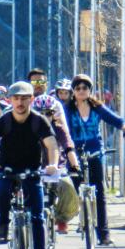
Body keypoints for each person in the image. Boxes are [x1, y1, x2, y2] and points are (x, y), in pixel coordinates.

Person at [0, 81, 60, 249]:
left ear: (31, 100)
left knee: (37, 216)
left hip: (32, 171)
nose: (20, 102)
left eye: (24, 98)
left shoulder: (39, 121)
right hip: (6, 169)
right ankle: (2, 224)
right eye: (16, 98)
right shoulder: (4, 121)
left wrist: (52, 165)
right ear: (10, 100)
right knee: (0, 191)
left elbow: (52, 145)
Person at [64, 74, 125, 245]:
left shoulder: (97, 108)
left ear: (90, 90)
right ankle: (83, 215)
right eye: (77, 88)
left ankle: (103, 234)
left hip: (95, 151)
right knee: (78, 189)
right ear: (73, 90)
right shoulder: (68, 109)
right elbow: (59, 127)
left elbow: (118, 120)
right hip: (74, 153)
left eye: (85, 88)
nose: (81, 91)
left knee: (99, 193)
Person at [33, 95, 81, 234]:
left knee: (68, 187)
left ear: (54, 114)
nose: (44, 116)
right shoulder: (27, 127)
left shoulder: (59, 128)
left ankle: (61, 219)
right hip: (34, 168)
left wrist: (75, 166)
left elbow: (68, 146)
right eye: (39, 113)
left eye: (48, 113)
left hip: (56, 168)